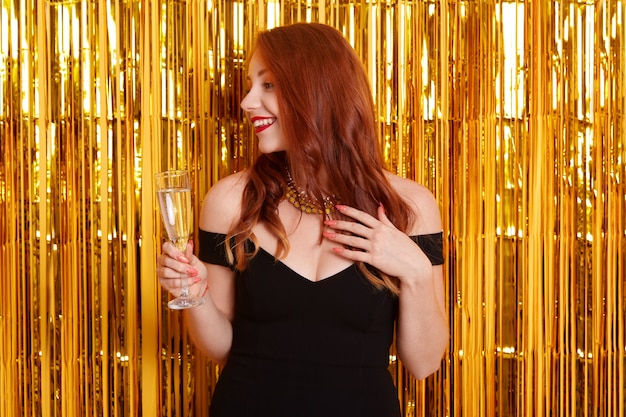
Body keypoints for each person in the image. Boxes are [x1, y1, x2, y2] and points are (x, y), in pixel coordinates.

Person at [156, 22, 448, 417]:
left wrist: (414, 269)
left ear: (318, 90)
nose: (246, 102)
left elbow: (425, 363)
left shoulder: (410, 207)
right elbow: (222, 347)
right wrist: (196, 292)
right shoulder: (230, 201)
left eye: (268, 85)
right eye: (249, 85)